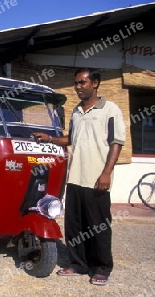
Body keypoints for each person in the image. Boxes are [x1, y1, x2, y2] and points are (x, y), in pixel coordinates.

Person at [33, 68, 125, 286]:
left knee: (98, 225)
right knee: (75, 225)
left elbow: (116, 143)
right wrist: (49, 139)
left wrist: (106, 173)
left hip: (96, 179)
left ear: (95, 83)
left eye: (82, 83)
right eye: (76, 83)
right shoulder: (76, 111)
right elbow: (70, 139)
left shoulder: (110, 109)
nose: (77, 87)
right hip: (75, 178)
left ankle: (101, 267)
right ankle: (78, 264)